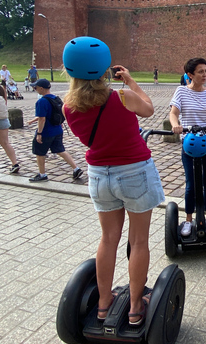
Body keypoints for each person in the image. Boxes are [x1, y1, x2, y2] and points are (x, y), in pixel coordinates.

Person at [62, 36, 164, 326]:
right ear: (105, 69)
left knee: (108, 239)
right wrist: (130, 81)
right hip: (134, 172)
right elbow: (148, 108)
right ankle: (134, 306)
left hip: (99, 175)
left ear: (70, 71)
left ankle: (104, 304)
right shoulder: (121, 97)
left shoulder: (67, 107)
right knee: (139, 240)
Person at [168, 58, 206, 237]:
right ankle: (189, 220)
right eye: (201, 72)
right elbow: (173, 113)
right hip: (189, 145)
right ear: (190, 75)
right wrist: (175, 125)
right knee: (191, 184)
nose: (205, 75)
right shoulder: (181, 91)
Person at [26, 79, 82, 182]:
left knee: (40, 153)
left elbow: (42, 118)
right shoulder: (56, 99)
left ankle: (42, 174)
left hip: (46, 132)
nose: (35, 89)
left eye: (36, 87)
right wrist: (33, 120)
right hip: (57, 130)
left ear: (41, 88)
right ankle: (76, 168)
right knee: (61, 150)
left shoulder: (41, 101)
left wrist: (39, 133)